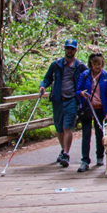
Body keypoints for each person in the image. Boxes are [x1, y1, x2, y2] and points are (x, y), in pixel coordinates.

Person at [39, 39, 87, 168]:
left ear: (75, 50)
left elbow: (88, 79)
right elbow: (47, 78)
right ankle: (63, 150)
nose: (69, 50)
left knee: (68, 127)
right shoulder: (56, 65)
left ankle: (66, 153)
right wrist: (42, 86)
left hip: (72, 99)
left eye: (72, 48)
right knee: (59, 128)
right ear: (65, 49)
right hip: (58, 100)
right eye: (67, 48)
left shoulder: (80, 66)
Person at [75, 53, 107, 173]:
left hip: (100, 108)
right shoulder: (85, 75)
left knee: (100, 134)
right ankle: (85, 160)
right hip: (88, 107)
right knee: (86, 134)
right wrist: (81, 94)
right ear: (91, 63)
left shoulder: (106, 77)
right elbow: (77, 91)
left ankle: (100, 157)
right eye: (95, 63)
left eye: (100, 63)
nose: (97, 66)